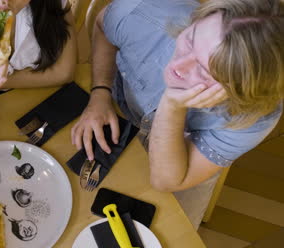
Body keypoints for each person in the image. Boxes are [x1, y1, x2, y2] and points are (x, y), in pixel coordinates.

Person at [71, 0, 284, 228]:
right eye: (190, 40)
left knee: (170, 231)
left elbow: (166, 181)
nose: (178, 67)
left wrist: (172, 105)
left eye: (205, 70)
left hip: (186, 155)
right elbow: (104, 27)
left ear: (240, 91)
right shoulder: (140, 10)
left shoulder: (254, 116)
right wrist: (100, 92)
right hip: (115, 105)